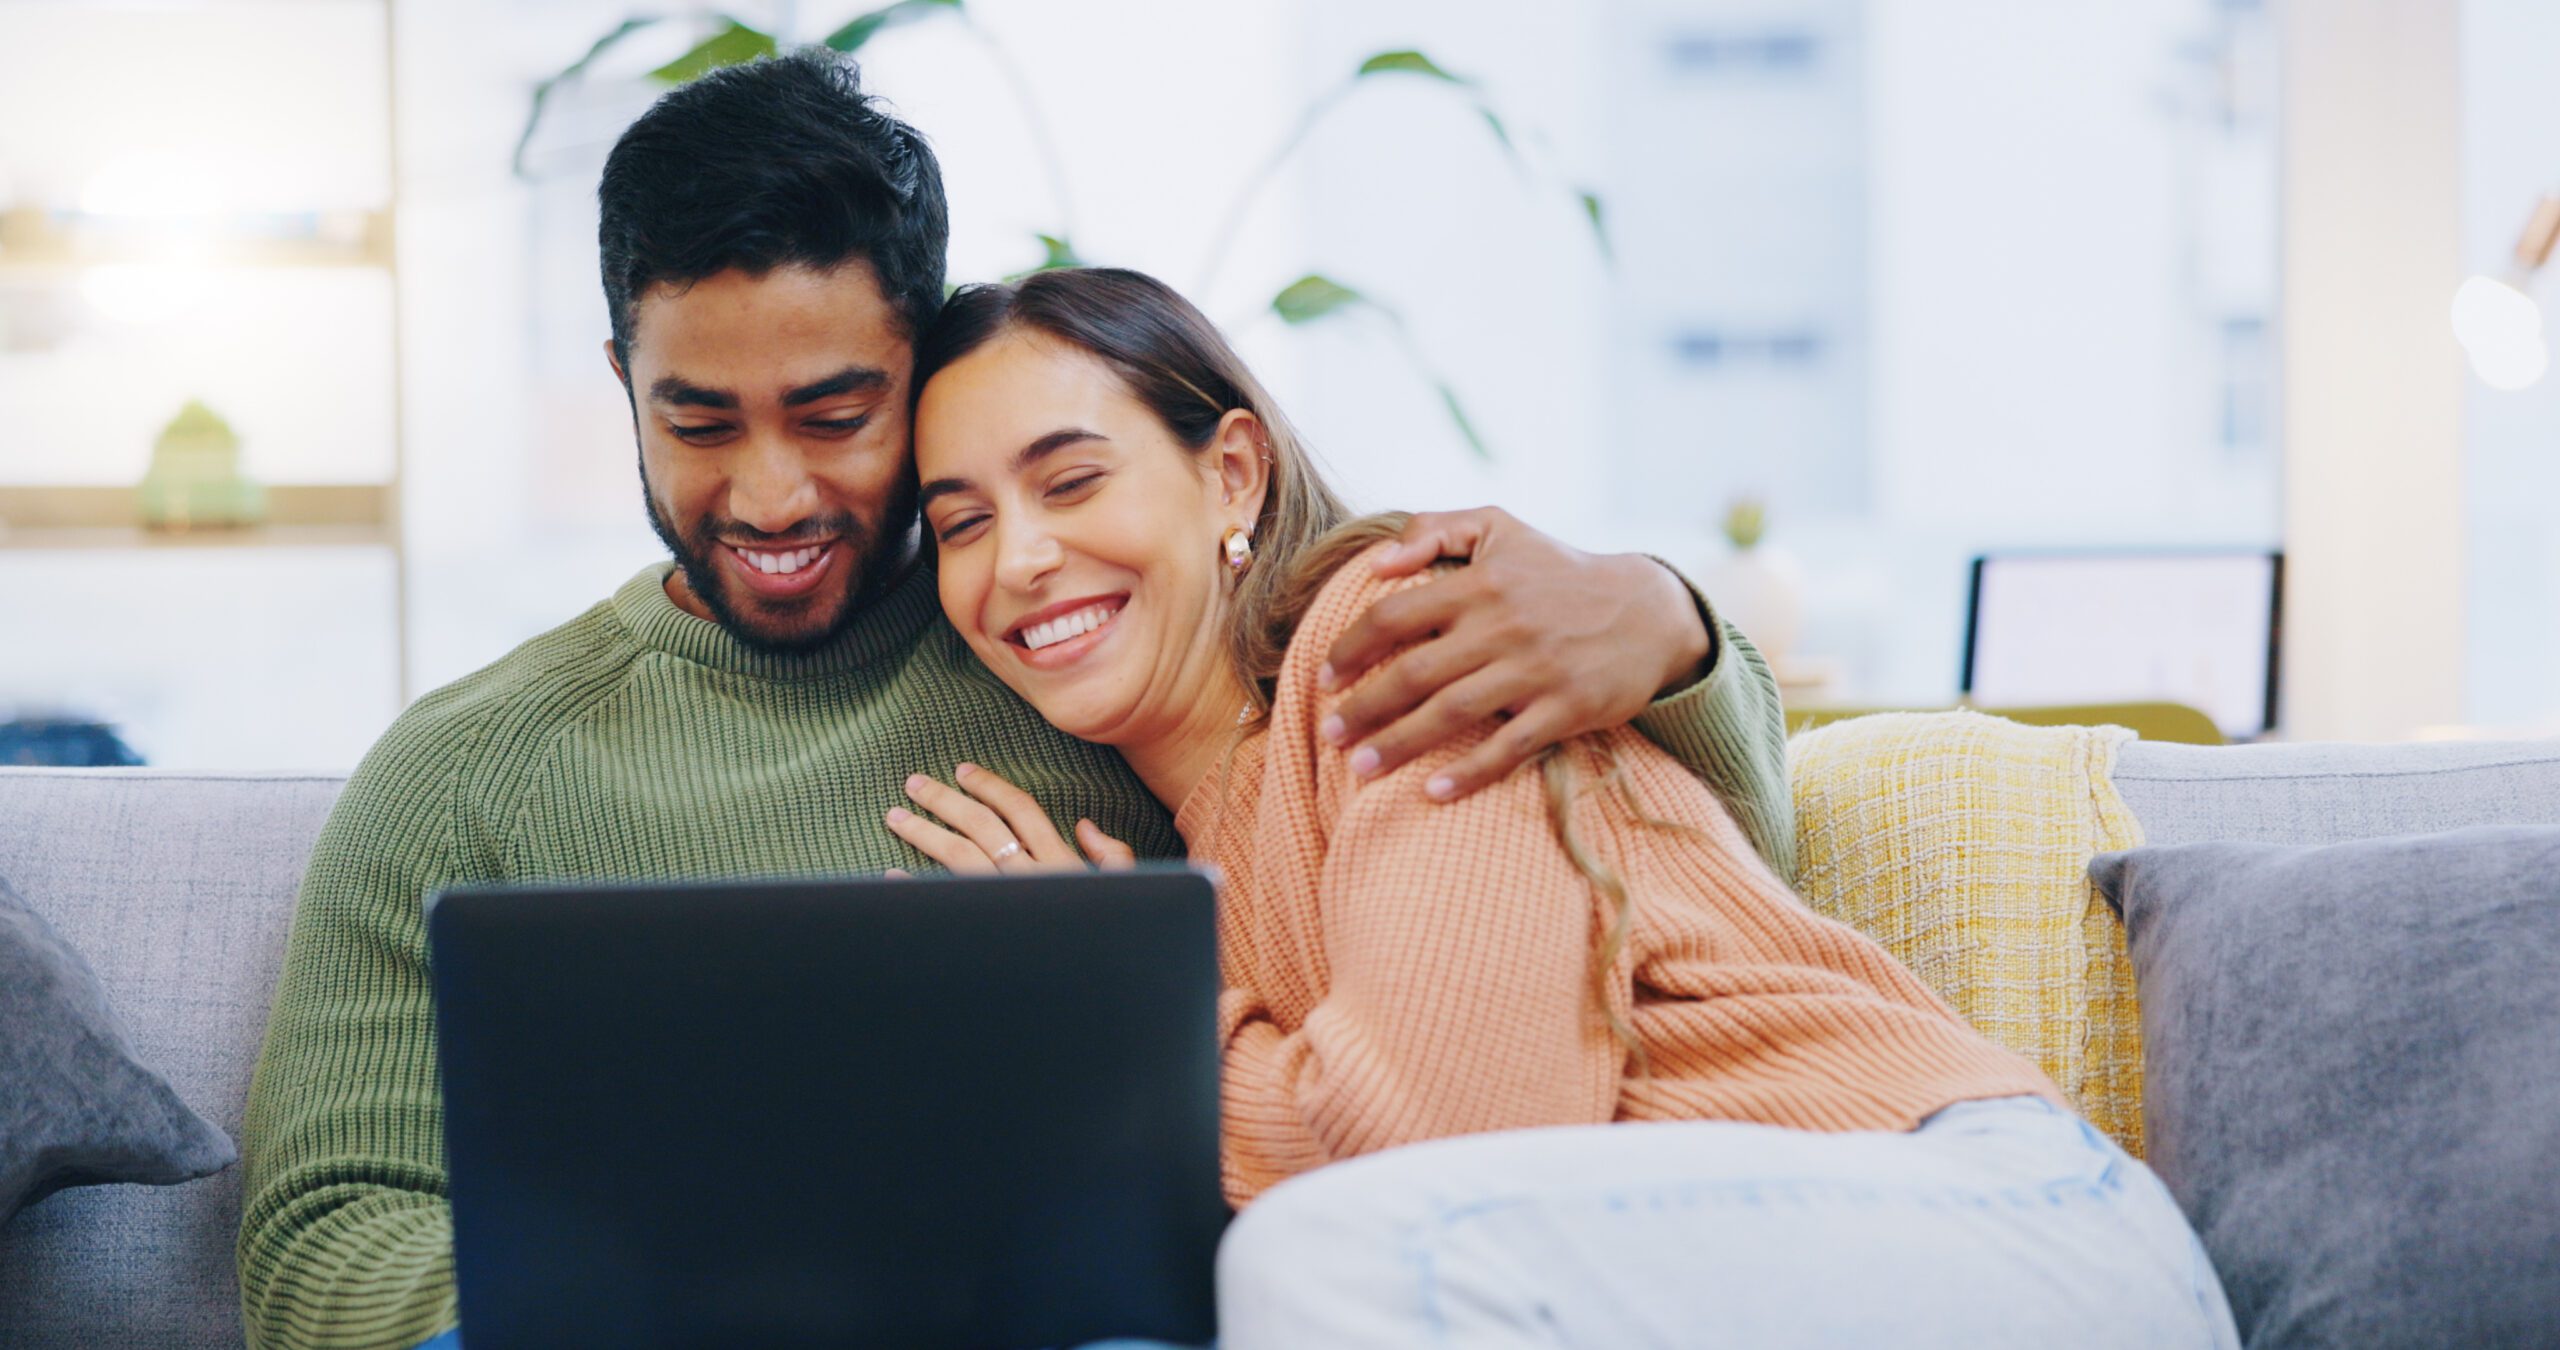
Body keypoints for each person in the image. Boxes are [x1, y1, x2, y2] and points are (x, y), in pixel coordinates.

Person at [235, 51, 1791, 1350]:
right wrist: (689, 1308)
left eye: (838, 415)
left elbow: (1624, 869)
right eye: (695, 420)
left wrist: (1670, 620)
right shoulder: (467, 768)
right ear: (621, 380)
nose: (769, 490)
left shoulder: (1082, 653)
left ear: (924, 372)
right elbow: (319, 1242)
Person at [888, 267, 2243, 1349]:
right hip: (1681, 1265)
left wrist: (1122, 1035)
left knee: (1327, 1256)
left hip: (1993, 1226)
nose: (1020, 558)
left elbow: (1440, 1137)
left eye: (1071, 481)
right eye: (960, 523)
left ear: (1231, 472)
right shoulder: (1204, 847)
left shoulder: (1395, 642)